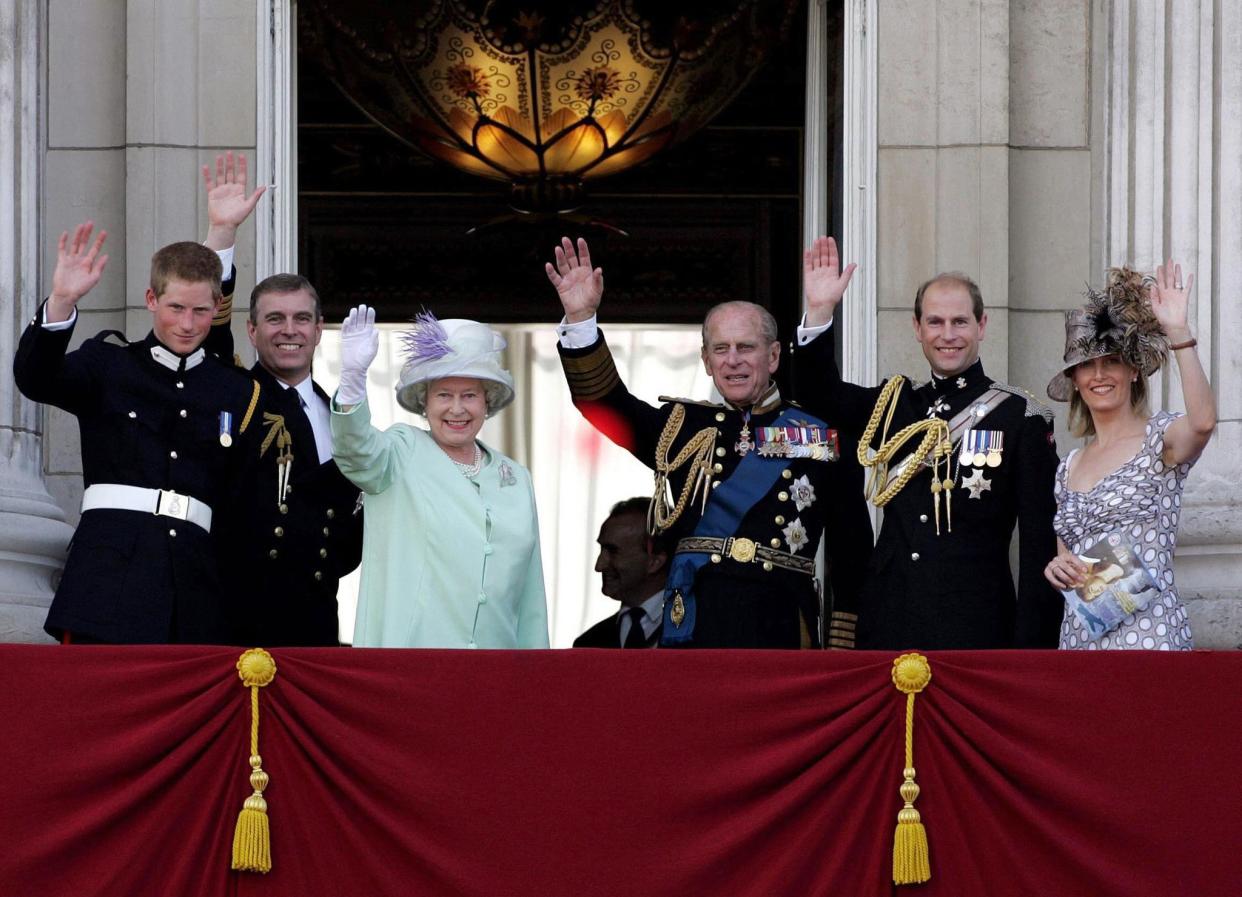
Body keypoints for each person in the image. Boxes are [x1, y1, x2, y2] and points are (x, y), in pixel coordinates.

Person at [546, 237, 872, 649]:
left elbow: (852, 555)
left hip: (781, 628)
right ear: (705, 361)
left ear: (772, 357)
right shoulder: (683, 428)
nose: (733, 360)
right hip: (698, 624)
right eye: (721, 349)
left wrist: (842, 648)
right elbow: (605, 404)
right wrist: (580, 320)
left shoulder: (823, 437)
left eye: (746, 348)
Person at [794, 236, 1063, 649]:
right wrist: (819, 311)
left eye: (960, 322)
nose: (947, 334)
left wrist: (1031, 650)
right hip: (889, 624)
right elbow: (818, 395)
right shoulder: (894, 405)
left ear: (982, 326)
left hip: (975, 630)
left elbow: (1038, 545)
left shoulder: (1020, 418)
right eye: (935, 322)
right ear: (917, 329)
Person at [13, 224, 267, 643]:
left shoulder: (238, 393)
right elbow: (34, 379)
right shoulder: (108, 365)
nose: (187, 324)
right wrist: (61, 301)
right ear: (151, 299)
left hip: (195, 593)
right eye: (176, 308)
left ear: (216, 306)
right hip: (107, 584)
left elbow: (239, 505)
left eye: (200, 311)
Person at [198, 152, 364, 646]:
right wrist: (222, 235)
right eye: (274, 319)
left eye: (299, 320)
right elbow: (208, 336)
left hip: (316, 620)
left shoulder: (342, 412)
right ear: (252, 330)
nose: (287, 331)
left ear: (318, 331)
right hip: (238, 619)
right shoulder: (237, 392)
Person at [329, 305, 548, 648]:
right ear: (424, 403)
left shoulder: (515, 478)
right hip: (415, 667)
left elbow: (530, 594)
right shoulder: (401, 453)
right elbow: (356, 452)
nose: (457, 409)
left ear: (487, 402)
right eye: (444, 395)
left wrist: (536, 676)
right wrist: (353, 381)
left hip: (497, 671)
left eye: (470, 395)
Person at [1042, 262, 1215, 650]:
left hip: (1150, 640)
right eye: (1086, 365)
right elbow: (1070, 559)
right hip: (1081, 640)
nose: (1099, 375)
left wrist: (1178, 333)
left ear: (1134, 371)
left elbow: (1203, 423)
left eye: (1112, 362)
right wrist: (1058, 568)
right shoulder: (1069, 465)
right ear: (1075, 381)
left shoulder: (1160, 438)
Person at [574, 497, 671, 648]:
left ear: (655, 562)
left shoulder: (699, 635)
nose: (599, 566)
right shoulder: (588, 644)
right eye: (602, 550)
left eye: (613, 551)